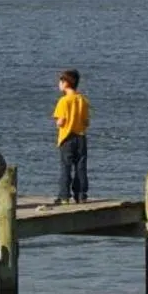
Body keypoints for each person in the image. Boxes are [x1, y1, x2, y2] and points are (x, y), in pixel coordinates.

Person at [52, 68, 91, 206]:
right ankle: (81, 195)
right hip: (81, 137)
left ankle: (64, 196)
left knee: (66, 167)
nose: (59, 84)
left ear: (66, 83)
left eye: (60, 81)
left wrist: (58, 123)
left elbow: (61, 121)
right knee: (81, 166)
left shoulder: (64, 101)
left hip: (67, 137)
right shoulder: (82, 100)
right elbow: (86, 121)